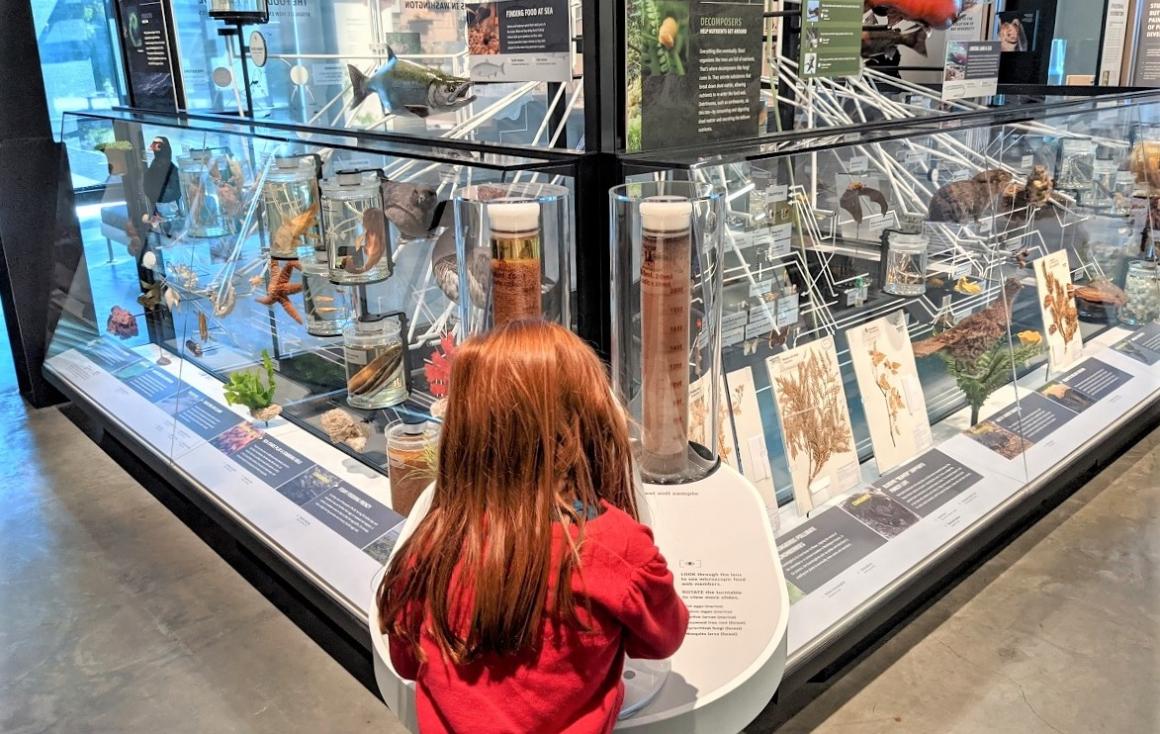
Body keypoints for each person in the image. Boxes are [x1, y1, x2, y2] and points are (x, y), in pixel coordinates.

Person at [378, 320, 689, 734]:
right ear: (588, 423)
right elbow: (663, 638)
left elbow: (406, 660)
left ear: (464, 433)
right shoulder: (617, 548)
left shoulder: (430, 547)